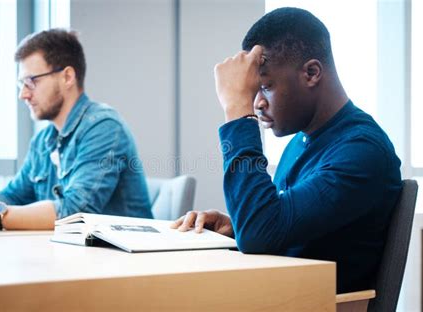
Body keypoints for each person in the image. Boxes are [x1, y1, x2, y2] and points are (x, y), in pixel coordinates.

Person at [172, 7, 402, 293]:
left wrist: (237, 112)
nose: (256, 103)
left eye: (265, 86)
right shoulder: (301, 141)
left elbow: (261, 233)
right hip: (279, 294)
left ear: (311, 73)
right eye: (252, 91)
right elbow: (277, 227)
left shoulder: (362, 151)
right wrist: (235, 227)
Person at [0, 29, 152, 230]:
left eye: (31, 81)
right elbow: (12, 196)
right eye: (21, 84)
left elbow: (74, 212)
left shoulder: (105, 128)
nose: (23, 94)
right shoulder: (43, 141)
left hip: (122, 258)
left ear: (67, 77)